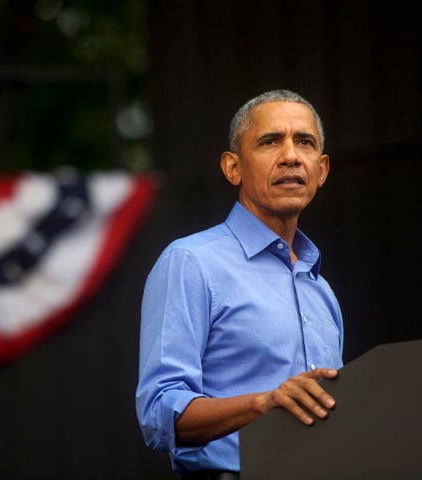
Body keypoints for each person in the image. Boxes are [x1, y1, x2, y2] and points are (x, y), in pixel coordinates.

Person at [135, 89, 344, 480]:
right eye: (269, 141)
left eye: (305, 142)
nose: (290, 156)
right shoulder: (192, 262)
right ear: (233, 168)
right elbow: (159, 412)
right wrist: (263, 403)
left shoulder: (322, 290)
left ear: (321, 170)